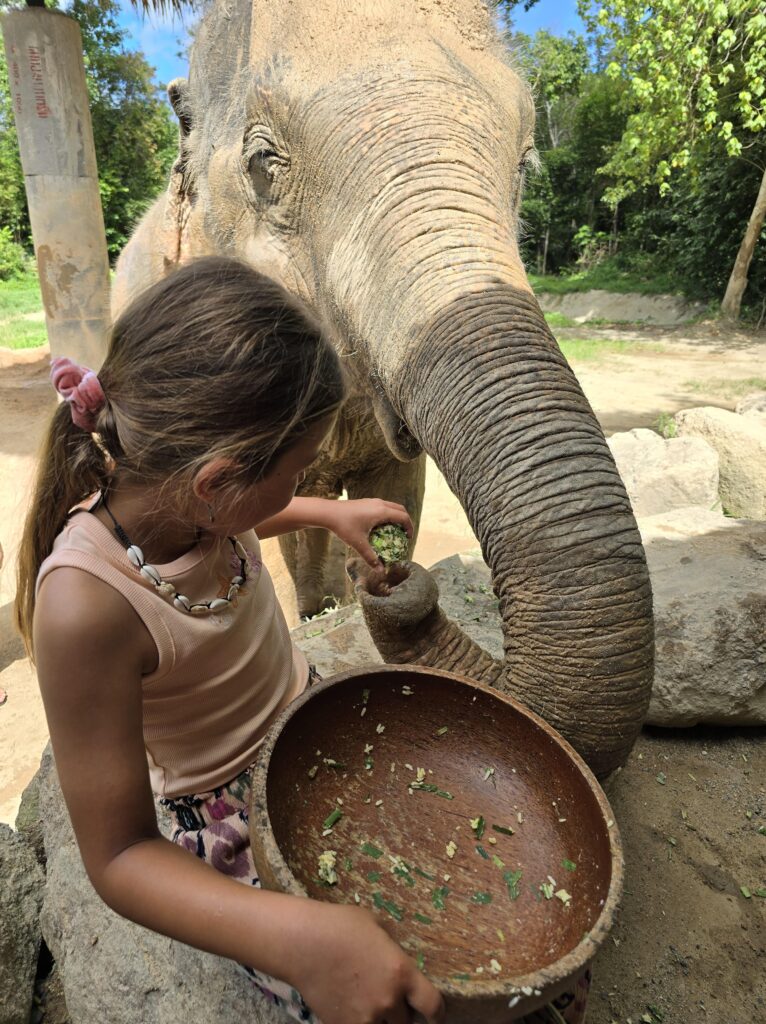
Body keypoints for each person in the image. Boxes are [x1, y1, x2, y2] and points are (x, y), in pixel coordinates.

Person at [14, 256, 444, 1024]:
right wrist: (300, 940)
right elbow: (116, 858)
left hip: (307, 717)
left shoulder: (186, 494)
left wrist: (318, 513)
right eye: (302, 469)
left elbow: (242, 513)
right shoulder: (85, 605)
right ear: (219, 482)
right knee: (395, 988)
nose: (309, 483)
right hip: (226, 806)